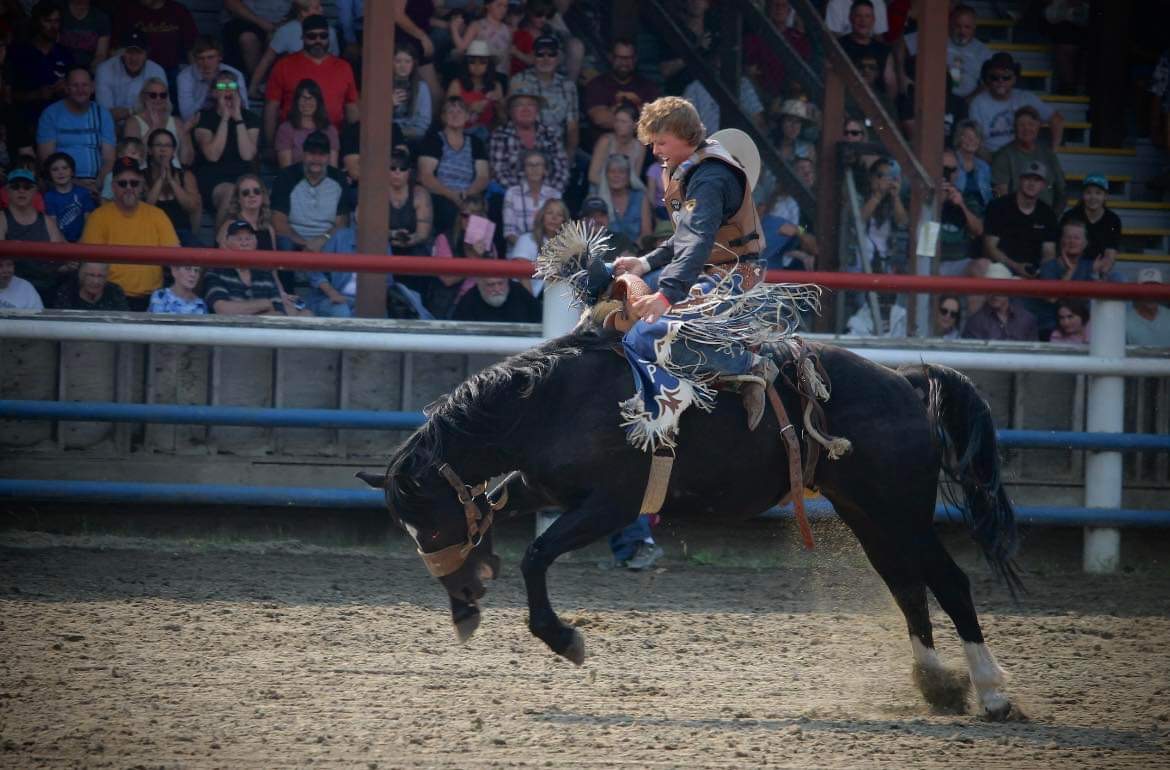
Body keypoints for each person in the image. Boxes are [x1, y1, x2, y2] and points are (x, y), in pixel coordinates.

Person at [611, 96, 776, 429]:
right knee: (614, 302)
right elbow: (688, 236)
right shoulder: (694, 168)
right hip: (707, 270)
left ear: (685, 136)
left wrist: (666, 295)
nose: (655, 150)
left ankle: (748, 364)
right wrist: (645, 264)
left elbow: (697, 240)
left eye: (661, 142)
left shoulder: (711, 177)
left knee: (646, 335)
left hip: (734, 276)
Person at [79, 156, 179, 311]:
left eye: (134, 183)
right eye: (122, 183)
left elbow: (175, 256)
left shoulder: (157, 215)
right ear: (113, 186)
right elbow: (91, 265)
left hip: (153, 300)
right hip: (110, 298)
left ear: (142, 186)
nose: (129, 188)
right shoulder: (98, 217)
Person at [263, 15, 358, 145]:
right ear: (302, 37)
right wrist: (269, 144)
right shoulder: (284, 65)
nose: (318, 40)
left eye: (323, 36)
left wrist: (356, 143)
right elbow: (272, 107)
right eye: (312, 36)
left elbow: (351, 108)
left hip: (332, 142)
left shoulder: (344, 67)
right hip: (292, 142)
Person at [35, 65, 114, 197]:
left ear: (93, 87)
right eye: (75, 85)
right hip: (60, 185)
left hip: (96, 185)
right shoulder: (51, 114)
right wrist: (79, 185)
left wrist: (98, 185)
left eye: (85, 85)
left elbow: (109, 159)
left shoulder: (102, 114)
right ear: (66, 88)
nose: (80, 90)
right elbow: (47, 161)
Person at [193, 70, 261, 222]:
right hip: (214, 178)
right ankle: (222, 237)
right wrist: (224, 118)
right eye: (222, 86)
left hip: (243, 176)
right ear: (214, 93)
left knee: (247, 193)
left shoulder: (250, 118)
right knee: (231, 193)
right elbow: (213, 155)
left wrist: (238, 118)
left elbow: (248, 155)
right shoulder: (204, 117)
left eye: (231, 86)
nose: (227, 90)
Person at [206, 220, 312, 316]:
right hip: (229, 329)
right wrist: (264, 304)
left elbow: (279, 312)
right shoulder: (216, 271)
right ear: (227, 243)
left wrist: (245, 310)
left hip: (265, 330)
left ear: (255, 243)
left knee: (307, 314)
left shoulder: (265, 273)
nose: (244, 243)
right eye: (239, 239)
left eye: (248, 239)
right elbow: (222, 309)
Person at [417, 97, 491, 235]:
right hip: (442, 195)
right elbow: (426, 176)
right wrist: (452, 195)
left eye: (460, 111)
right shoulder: (433, 140)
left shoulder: (476, 143)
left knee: (481, 209)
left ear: (467, 116)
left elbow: (483, 176)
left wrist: (467, 195)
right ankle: (449, 246)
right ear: (443, 117)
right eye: (450, 111)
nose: (455, 115)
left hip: (468, 194)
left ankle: (478, 246)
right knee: (448, 210)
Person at [8, 2, 74, 153]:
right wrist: (37, 94)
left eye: (56, 21)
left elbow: (78, 90)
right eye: (47, 21)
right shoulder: (18, 53)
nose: (53, 26)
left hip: (61, 121)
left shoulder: (65, 54)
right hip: (27, 122)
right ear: (36, 22)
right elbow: (8, 95)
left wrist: (67, 89)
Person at [269, 130, 349, 251]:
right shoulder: (286, 177)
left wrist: (323, 239)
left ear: (328, 157)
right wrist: (305, 244)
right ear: (303, 154)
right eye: (311, 153)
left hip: (328, 241)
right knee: (285, 243)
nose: (316, 159)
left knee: (343, 241)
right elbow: (279, 222)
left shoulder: (339, 178)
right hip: (294, 242)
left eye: (321, 154)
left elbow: (341, 223)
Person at [969, 52, 1064, 153]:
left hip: (1022, 156)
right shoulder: (978, 103)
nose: (1001, 81)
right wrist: (997, 161)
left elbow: (1057, 120)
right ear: (988, 79)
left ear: (1014, 79)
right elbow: (975, 142)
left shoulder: (1026, 98)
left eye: (1006, 77)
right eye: (994, 77)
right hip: (990, 156)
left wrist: (1053, 151)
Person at [248, 0, 340, 101]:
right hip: (292, 85)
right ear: (303, 12)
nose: (322, 10)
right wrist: (253, 88)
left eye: (321, 6)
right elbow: (266, 61)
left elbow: (335, 62)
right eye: (316, 8)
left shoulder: (330, 31)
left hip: (322, 84)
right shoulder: (285, 31)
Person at [0, 168, 66, 304]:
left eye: (27, 187)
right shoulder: (2, 219)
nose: (21, 191)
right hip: (10, 287)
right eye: (15, 187)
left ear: (35, 190)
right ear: (7, 191)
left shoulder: (47, 221)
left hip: (47, 286)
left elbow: (61, 259)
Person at [983, 161, 1058, 278]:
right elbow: (990, 248)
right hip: (1002, 267)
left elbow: (1049, 253)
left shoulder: (1047, 213)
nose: (1032, 183)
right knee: (995, 273)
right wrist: (1016, 266)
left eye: (1037, 180)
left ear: (1043, 185)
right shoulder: (998, 206)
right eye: (1028, 178)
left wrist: (1039, 272)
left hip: (1033, 272)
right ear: (1020, 180)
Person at [508, 34, 578, 155]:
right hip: (524, 150)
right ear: (532, 56)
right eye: (540, 54)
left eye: (551, 54)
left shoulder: (569, 86)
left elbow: (572, 127)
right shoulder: (518, 81)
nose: (546, 59)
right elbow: (511, 121)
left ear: (558, 57)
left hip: (557, 150)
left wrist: (568, 156)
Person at [489, 92, 569, 193]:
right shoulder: (500, 135)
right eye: (519, 105)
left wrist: (549, 193)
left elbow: (562, 169)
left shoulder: (550, 133)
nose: (525, 109)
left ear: (537, 110)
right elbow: (499, 172)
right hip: (512, 193)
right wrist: (524, 195)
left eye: (531, 104)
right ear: (510, 112)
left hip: (549, 194)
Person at [991, 106, 1066, 213]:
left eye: (1031, 124)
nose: (1026, 129)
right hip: (1015, 217)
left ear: (1038, 127)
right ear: (1015, 128)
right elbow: (1001, 197)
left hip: (1046, 216)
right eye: (1021, 125)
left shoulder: (1048, 154)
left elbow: (1061, 190)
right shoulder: (1003, 156)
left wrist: (1053, 217)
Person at [583, 38, 659, 137]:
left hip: (639, 144)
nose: (624, 62)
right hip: (604, 143)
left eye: (628, 58)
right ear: (611, 58)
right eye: (619, 58)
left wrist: (616, 119)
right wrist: (635, 122)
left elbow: (653, 122)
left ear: (635, 59)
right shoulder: (597, 84)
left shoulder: (648, 87)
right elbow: (600, 119)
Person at [94, 30, 166, 128]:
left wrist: (127, 114)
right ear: (122, 52)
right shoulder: (105, 69)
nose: (134, 58)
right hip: (112, 128)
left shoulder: (157, 71)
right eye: (129, 52)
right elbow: (105, 115)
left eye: (139, 52)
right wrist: (136, 110)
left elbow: (160, 110)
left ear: (147, 53)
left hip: (146, 126)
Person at [143, 128, 201, 245]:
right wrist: (160, 180)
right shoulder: (141, 176)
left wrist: (171, 181)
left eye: (168, 145)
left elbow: (192, 207)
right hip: (152, 233)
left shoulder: (185, 175)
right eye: (158, 145)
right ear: (150, 150)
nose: (163, 149)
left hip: (181, 233)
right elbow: (145, 209)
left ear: (173, 151)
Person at [112, 0, 197, 79]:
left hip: (172, 71)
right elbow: (118, 48)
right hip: (138, 71)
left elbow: (191, 46)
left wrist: (195, 75)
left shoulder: (178, 10)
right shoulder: (128, 10)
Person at [122, 78, 194, 169]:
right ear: (143, 97)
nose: (158, 98)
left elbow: (187, 161)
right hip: (144, 174)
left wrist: (185, 134)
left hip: (173, 173)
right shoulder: (133, 122)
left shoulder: (177, 122)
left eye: (163, 95)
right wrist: (153, 128)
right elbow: (130, 160)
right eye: (153, 95)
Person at [176, 37, 250, 123]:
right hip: (199, 123)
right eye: (201, 58)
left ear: (220, 57)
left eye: (210, 57)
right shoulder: (185, 77)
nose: (206, 63)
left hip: (231, 119)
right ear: (195, 59)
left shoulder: (235, 74)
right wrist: (208, 92)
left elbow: (245, 109)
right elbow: (186, 116)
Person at [961, 262, 1039, 341]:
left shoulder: (1027, 319)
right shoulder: (975, 322)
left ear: (1009, 290)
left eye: (999, 289)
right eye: (990, 289)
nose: (994, 294)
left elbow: (1035, 347)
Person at [937, 149, 985, 277]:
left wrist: (962, 205)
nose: (947, 173)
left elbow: (978, 230)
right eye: (944, 169)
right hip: (930, 261)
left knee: (983, 265)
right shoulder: (922, 195)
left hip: (958, 262)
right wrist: (937, 201)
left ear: (957, 173)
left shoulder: (966, 198)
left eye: (952, 170)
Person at [508, 196, 568, 297]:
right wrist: (532, 303)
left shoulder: (568, 246)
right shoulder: (526, 239)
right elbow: (522, 276)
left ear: (564, 220)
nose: (554, 218)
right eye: (549, 213)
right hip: (525, 297)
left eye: (559, 215)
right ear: (542, 216)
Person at [274, 78, 340, 168]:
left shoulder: (330, 130)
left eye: (311, 98)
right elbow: (286, 170)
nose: (307, 102)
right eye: (303, 98)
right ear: (296, 101)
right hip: (296, 176)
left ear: (318, 102)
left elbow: (333, 168)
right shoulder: (285, 130)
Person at [447, 40, 505, 141]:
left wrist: (499, 105)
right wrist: (469, 108)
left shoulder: (496, 85)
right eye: (472, 62)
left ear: (489, 65)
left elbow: (502, 119)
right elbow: (447, 115)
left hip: (487, 135)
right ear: (466, 64)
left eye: (482, 62)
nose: (477, 66)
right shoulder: (456, 84)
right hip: (461, 134)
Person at [1060, 174, 1121, 268]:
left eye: (1098, 193)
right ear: (1083, 195)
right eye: (1088, 192)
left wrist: (1101, 271)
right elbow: (1061, 249)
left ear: (1105, 196)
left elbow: (1110, 255)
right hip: (1070, 266)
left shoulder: (1113, 220)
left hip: (1099, 268)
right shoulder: (1069, 217)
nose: (1093, 197)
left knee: (1118, 276)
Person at [502, 149, 560, 247]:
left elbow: (558, 229)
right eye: (530, 165)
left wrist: (542, 251)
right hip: (518, 250)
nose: (534, 169)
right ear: (523, 169)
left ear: (545, 170)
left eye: (538, 165)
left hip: (548, 251)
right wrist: (527, 248)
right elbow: (509, 232)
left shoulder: (554, 195)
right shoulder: (512, 193)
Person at [838, 1, 896, 98]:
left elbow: (890, 82)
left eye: (867, 16)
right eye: (858, 16)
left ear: (873, 20)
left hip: (877, 104)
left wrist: (887, 105)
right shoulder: (839, 46)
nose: (863, 20)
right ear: (850, 18)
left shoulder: (884, 50)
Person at [222, 0, 287, 79]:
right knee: (247, 39)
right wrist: (261, 23)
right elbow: (230, 2)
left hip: (283, 23)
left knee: (278, 38)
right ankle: (258, 82)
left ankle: (273, 82)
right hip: (246, 20)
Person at [588, 103, 645, 191]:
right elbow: (592, 176)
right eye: (616, 121)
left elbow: (635, 177)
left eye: (623, 122)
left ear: (635, 125)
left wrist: (620, 190)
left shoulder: (640, 147)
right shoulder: (605, 141)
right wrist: (614, 188)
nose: (618, 125)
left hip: (626, 191)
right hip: (600, 188)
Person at [594, 152, 648, 246]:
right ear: (606, 175)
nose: (616, 175)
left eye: (621, 172)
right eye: (612, 171)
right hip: (607, 250)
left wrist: (632, 250)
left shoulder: (641, 197)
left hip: (636, 250)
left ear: (629, 176)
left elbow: (646, 232)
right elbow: (595, 233)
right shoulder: (598, 201)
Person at [41, 151, 96, 243]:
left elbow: (89, 222)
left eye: (65, 168)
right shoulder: (49, 197)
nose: (60, 172)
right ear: (49, 174)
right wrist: (66, 246)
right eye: (55, 169)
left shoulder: (83, 193)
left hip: (84, 242)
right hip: (59, 243)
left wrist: (80, 243)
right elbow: (53, 226)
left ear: (72, 171)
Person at [387, 148, 434, 254]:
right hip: (383, 247)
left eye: (402, 168)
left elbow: (422, 234)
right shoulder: (377, 193)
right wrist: (394, 234)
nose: (397, 172)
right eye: (392, 168)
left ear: (409, 172)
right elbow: (372, 229)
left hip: (414, 249)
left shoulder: (420, 194)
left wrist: (407, 240)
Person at [215, 173, 276, 249]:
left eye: (256, 191)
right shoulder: (229, 226)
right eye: (245, 193)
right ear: (238, 199)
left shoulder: (269, 229)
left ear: (263, 196)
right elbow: (220, 254)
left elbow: (274, 256)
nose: (252, 195)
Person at [944, 4, 991, 99]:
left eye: (967, 27)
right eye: (958, 26)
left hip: (969, 100)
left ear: (974, 27)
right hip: (938, 99)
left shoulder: (983, 51)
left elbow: (987, 83)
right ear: (950, 24)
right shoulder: (938, 41)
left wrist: (968, 101)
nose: (962, 31)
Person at [452, 0, 512, 74]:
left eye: (505, 6)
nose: (503, 9)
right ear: (487, 6)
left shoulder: (508, 29)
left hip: (501, 73)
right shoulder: (476, 25)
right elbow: (462, 48)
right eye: (499, 5)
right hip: (481, 74)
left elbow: (508, 56)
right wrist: (454, 29)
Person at [392, 42, 432, 146]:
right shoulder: (382, 86)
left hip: (412, 137)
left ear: (413, 64)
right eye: (398, 61)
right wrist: (389, 106)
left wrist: (399, 132)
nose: (403, 66)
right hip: (386, 134)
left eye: (407, 61)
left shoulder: (421, 87)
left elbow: (423, 124)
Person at [452, 276, 541, 322]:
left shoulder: (518, 291)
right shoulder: (469, 300)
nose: (497, 289)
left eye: (500, 283)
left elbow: (540, 316)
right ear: (480, 285)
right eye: (491, 285)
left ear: (507, 282)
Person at [52, 260, 129, 310]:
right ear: (81, 276)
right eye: (91, 275)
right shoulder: (68, 291)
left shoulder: (115, 291)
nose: (96, 281)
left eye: (101, 276)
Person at [59, 0, 111, 70]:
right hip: (62, 66)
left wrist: (89, 71)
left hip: (89, 68)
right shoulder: (60, 13)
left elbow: (101, 55)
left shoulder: (101, 18)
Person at [1126, 268, 1170, 346]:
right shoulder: (1126, 322)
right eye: (1146, 288)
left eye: (1156, 289)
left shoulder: (1168, 316)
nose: (1151, 293)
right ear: (1138, 291)